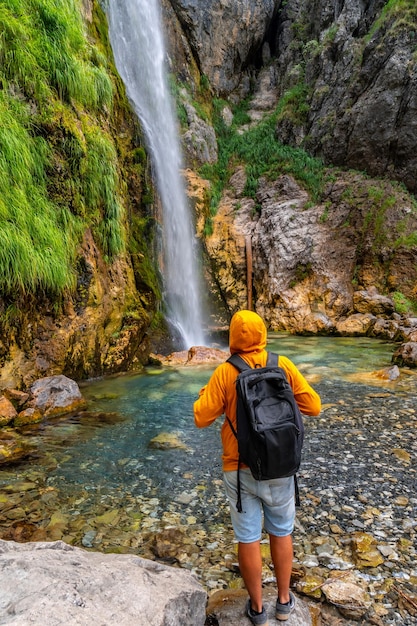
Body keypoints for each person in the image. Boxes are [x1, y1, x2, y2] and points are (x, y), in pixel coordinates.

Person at [193, 310, 321, 625]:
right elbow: (314, 406)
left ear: (233, 338)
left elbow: (201, 417)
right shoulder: (282, 364)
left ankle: (258, 609)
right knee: (281, 531)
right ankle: (283, 602)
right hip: (280, 465)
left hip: (240, 468)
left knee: (248, 537)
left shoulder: (225, 372)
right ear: (263, 334)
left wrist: (206, 396)